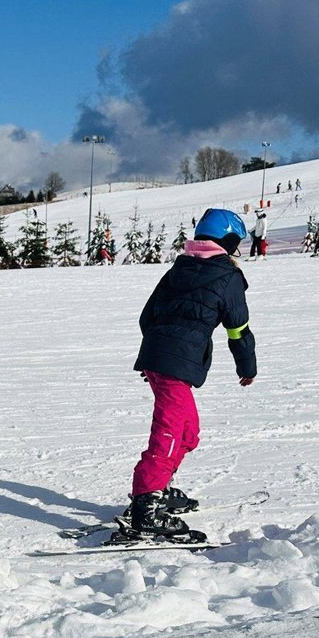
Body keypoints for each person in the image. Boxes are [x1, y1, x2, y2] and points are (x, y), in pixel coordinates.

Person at [123, 208, 257, 541]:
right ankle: (145, 507)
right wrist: (247, 368)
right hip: (173, 363)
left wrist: (156, 353)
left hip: (164, 361)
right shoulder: (228, 276)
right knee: (168, 435)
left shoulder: (178, 268)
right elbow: (238, 329)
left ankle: (159, 487)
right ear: (228, 240)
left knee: (187, 432)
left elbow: (147, 316)